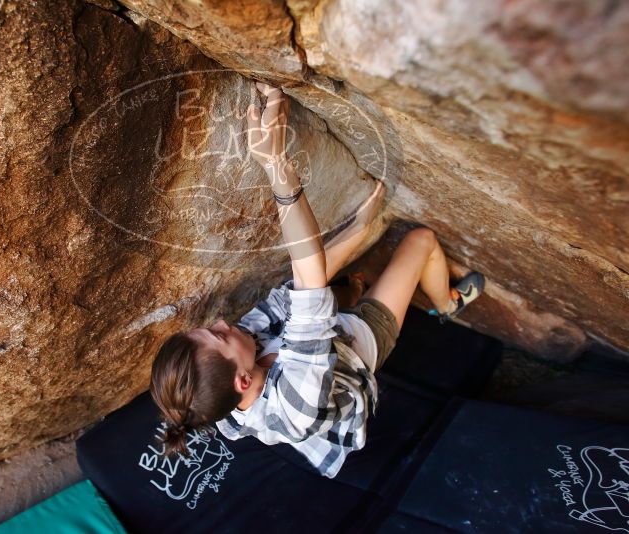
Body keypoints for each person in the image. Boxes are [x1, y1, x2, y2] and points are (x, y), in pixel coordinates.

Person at [149, 82, 485, 478]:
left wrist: (359, 228)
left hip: (321, 333)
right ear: (243, 380)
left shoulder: (216, 390)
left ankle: (353, 290)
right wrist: (276, 163)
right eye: (220, 336)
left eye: (208, 329)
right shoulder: (295, 406)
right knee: (421, 241)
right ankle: (447, 304)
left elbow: (297, 293)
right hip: (357, 351)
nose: (223, 323)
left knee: (328, 293)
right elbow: (308, 281)